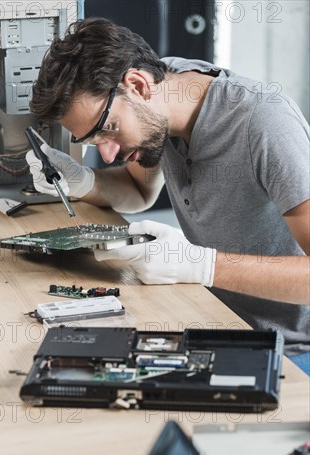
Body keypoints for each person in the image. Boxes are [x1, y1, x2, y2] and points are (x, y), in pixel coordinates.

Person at [26, 17, 310, 369]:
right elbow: (137, 190)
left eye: (108, 129)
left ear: (139, 85)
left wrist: (200, 265)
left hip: (291, 349)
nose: (109, 153)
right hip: (210, 318)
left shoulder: (264, 123)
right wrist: (84, 182)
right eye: (93, 141)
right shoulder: (168, 80)